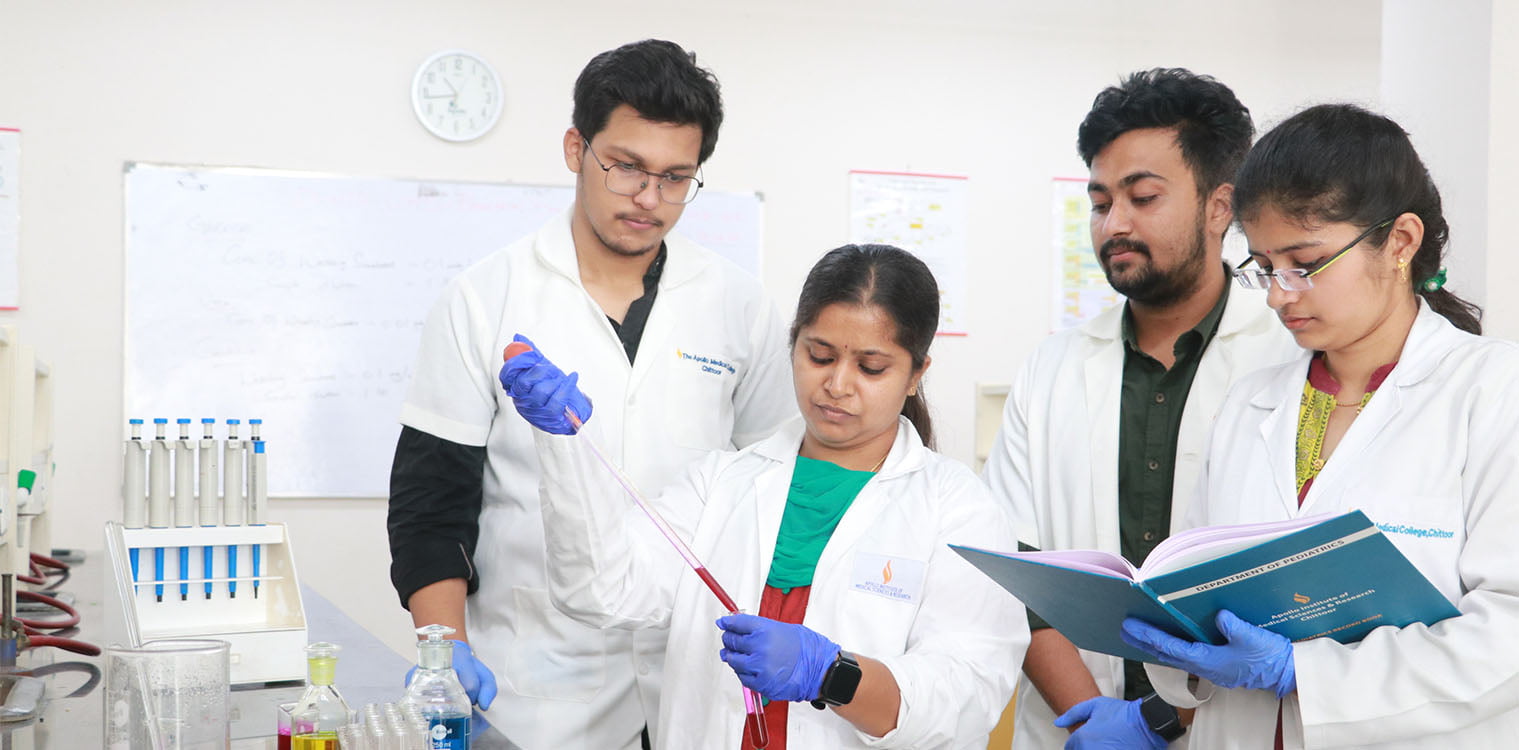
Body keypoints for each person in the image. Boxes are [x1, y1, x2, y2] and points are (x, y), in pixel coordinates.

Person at [386, 39, 795, 750]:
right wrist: (443, 645)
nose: (649, 198)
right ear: (576, 148)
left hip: (691, 681)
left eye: (676, 177)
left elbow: (772, 488)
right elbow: (430, 506)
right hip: (537, 687)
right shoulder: (486, 297)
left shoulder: (739, 306)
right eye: (626, 167)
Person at [499, 244, 1028, 749]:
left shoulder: (959, 512)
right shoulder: (721, 483)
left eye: (871, 368)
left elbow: (968, 696)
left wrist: (833, 675)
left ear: (916, 374)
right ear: (793, 344)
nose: (837, 385)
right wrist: (564, 446)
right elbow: (601, 592)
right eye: (819, 355)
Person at [1115, 103, 1519, 749]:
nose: (1278, 293)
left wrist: (1302, 671)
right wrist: (1173, 649)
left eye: (1303, 263)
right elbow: (1188, 582)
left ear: (1400, 241)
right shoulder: (1251, 403)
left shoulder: (1494, 392)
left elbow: (1508, 633)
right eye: (1263, 265)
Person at [980, 68, 1300, 748]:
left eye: (1142, 197)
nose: (1113, 224)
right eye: (1099, 202)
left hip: (1230, 723)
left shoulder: (1288, 358)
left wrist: (1157, 724)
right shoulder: (1051, 368)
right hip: (1079, 726)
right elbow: (1021, 570)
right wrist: (1097, 722)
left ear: (1220, 207)